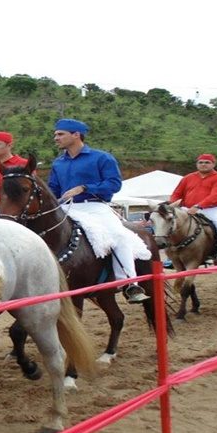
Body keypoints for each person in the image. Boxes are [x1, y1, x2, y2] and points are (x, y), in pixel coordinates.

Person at [47, 118, 150, 304]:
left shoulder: (102, 158)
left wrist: (84, 188)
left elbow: (114, 184)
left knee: (119, 236)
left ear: (76, 135)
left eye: (60, 134)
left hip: (95, 206)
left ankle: (129, 283)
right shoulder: (58, 163)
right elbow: (53, 189)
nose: (56, 138)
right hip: (66, 207)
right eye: (56, 134)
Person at [169, 153, 217, 264]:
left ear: (213, 164)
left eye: (207, 162)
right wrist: (173, 204)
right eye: (200, 162)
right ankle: (173, 253)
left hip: (214, 209)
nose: (203, 165)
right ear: (197, 164)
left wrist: (198, 206)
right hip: (187, 209)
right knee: (169, 225)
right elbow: (177, 193)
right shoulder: (188, 178)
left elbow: (216, 196)